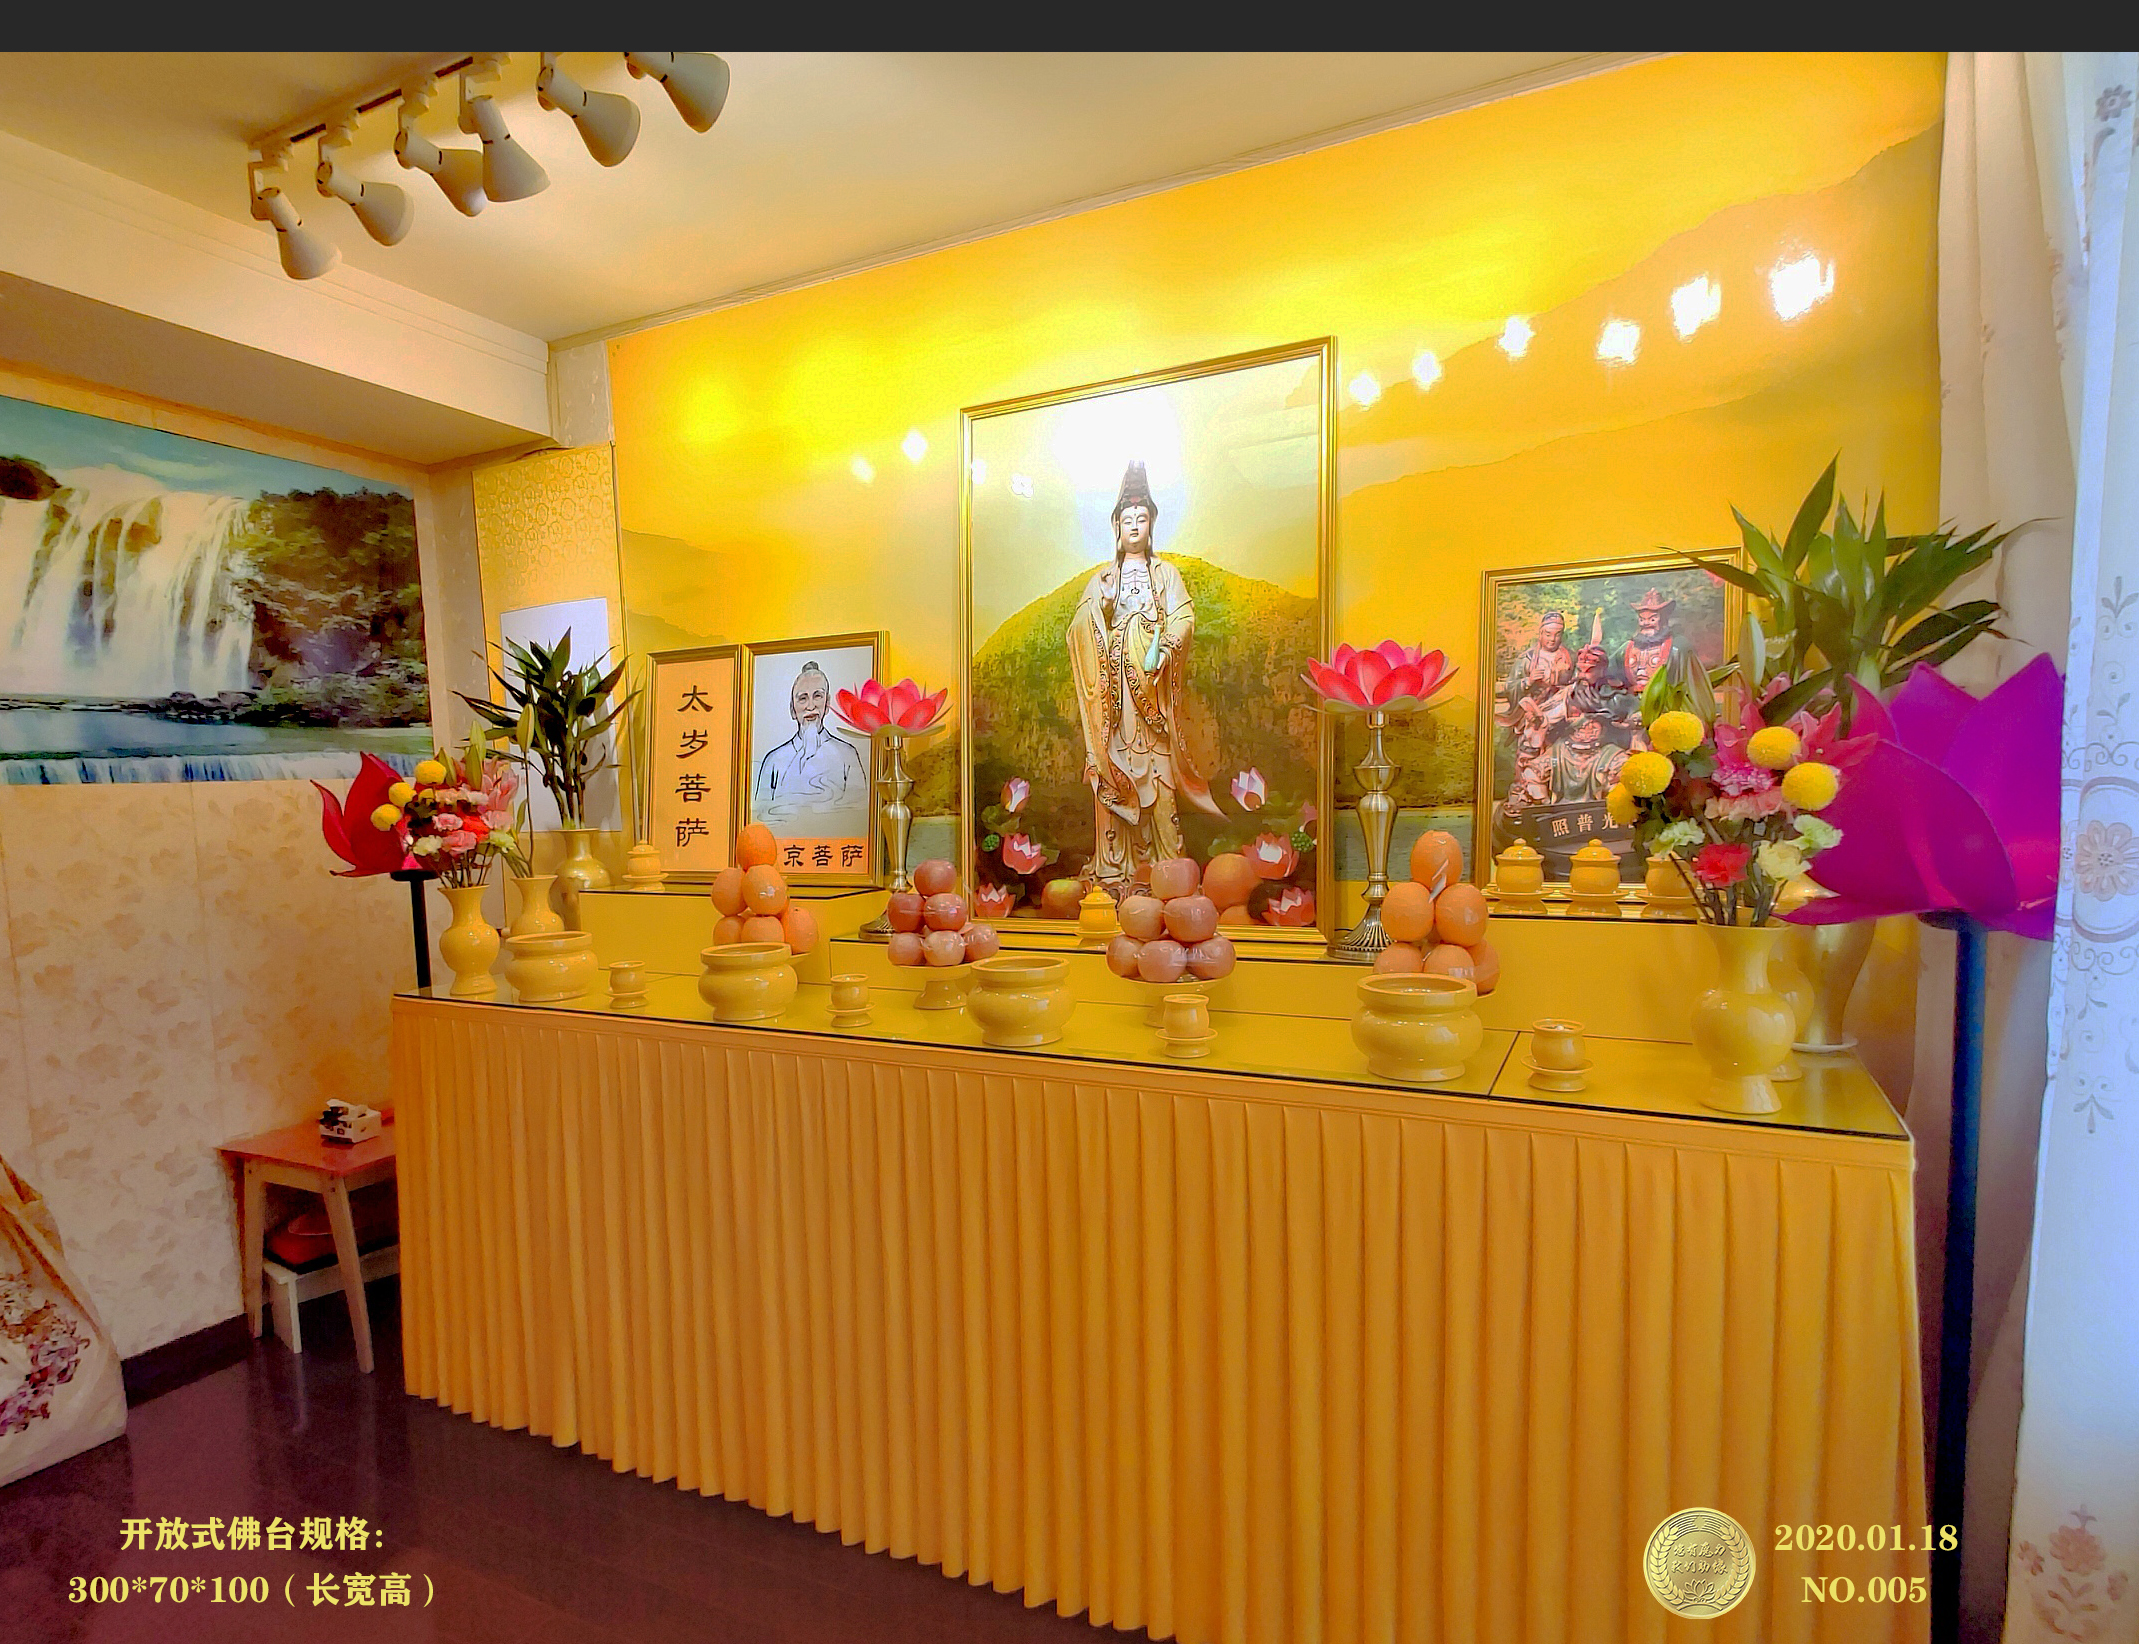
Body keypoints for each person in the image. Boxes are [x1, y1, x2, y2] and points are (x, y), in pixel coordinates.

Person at [1066, 460, 1221, 890]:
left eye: (1141, 518)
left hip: (1152, 693)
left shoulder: (1165, 574)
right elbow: (1078, 628)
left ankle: (1166, 866)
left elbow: (1184, 616)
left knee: (1158, 776)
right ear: (1116, 527)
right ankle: (1115, 868)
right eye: (1127, 519)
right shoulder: (1103, 578)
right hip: (1115, 703)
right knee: (1113, 770)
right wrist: (1102, 608)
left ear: (1152, 524)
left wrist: (1166, 644)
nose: (1134, 526)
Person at [752, 660, 868, 832]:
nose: (810, 706)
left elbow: (859, 816)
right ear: (792, 709)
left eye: (817, 696)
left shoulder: (847, 755)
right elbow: (759, 819)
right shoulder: (774, 760)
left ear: (827, 704)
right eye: (803, 698)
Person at [1620, 588, 1678, 695]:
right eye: (1642, 620)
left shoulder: (1675, 649)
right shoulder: (1627, 648)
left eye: (1652, 619)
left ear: (1662, 619)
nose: (1646, 623)